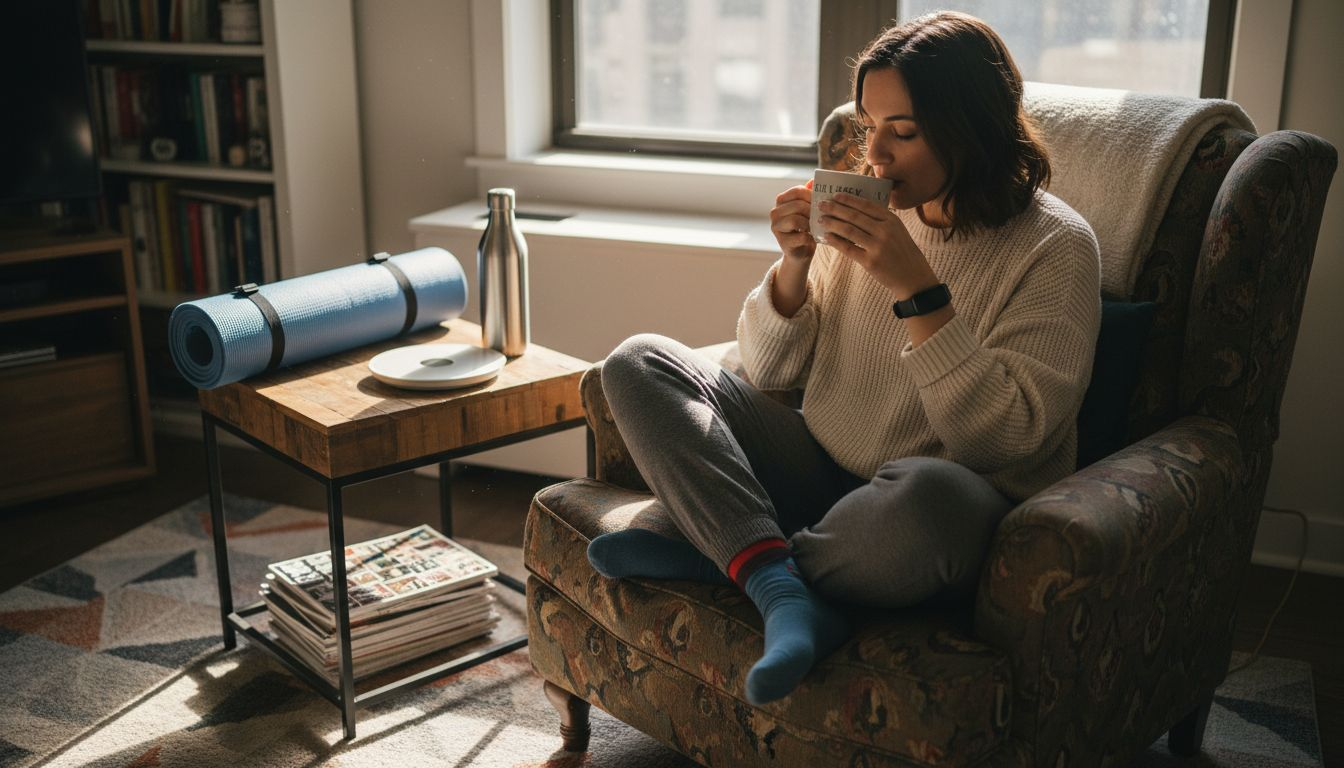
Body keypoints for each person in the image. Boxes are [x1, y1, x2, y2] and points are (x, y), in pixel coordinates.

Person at [586, 11, 1102, 706]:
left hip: (938, 504)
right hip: (819, 465)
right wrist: (795, 266)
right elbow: (769, 373)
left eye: (904, 132)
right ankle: (780, 581)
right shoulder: (863, 207)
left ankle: (731, 559)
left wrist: (918, 290)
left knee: (928, 502)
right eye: (869, 126)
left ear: (970, 127)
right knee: (637, 361)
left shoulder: (1058, 249)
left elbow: (999, 437)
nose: (877, 157)